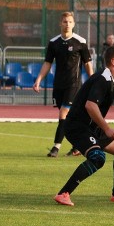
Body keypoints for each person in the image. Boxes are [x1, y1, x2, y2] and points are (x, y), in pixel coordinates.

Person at [53, 45, 114, 206]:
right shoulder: (103, 78)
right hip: (77, 126)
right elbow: (90, 106)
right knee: (98, 158)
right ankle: (63, 194)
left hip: (91, 127)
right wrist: (106, 128)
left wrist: (103, 128)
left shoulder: (110, 79)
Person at [33, 11, 94, 158]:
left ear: (74, 24)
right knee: (69, 117)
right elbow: (47, 63)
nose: (67, 24)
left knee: (63, 114)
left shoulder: (80, 42)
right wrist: (38, 80)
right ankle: (77, 145)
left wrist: (93, 81)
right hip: (58, 85)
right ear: (60, 23)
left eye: (70, 22)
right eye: (65, 22)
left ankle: (56, 147)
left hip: (74, 85)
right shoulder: (54, 43)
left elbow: (87, 64)